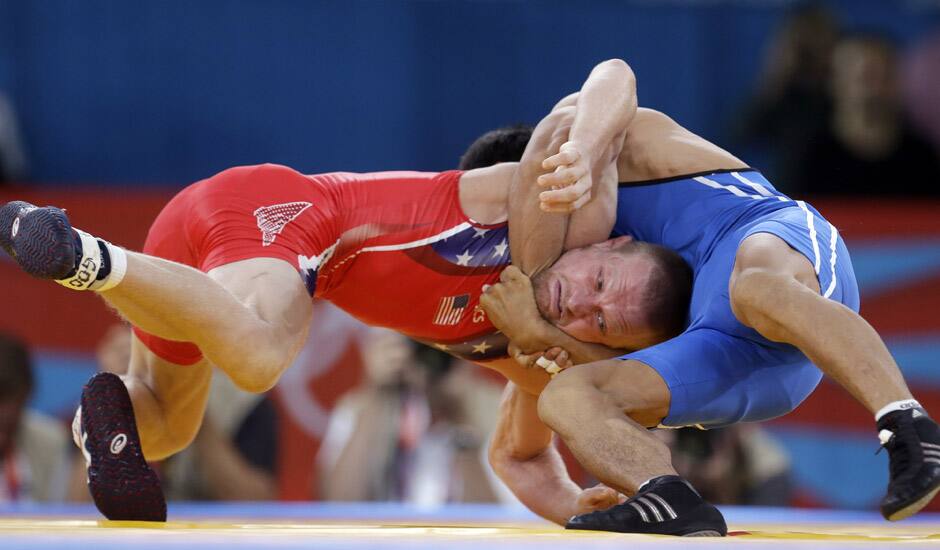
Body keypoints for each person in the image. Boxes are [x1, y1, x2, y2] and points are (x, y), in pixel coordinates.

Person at [0, 60, 689, 521]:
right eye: (602, 283)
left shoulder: (533, 358)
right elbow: (610, 81)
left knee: (167, 424)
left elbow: (521, 454)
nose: (584, 306)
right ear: (611, 244)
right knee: (262, 354)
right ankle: (83, 255)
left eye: (603, 324)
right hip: (281, 217)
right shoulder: (557, 215)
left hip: (231, 261)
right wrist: (587, 149)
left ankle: (100, 422)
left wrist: (577, 508)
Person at [477, 62, 940, 536]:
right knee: (567, 395)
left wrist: (581, 151)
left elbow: (614, 76)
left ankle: (907, 424)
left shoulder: (595, 153)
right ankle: (667, 496)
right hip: (745, 366)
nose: (577, 302)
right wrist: (576, 501)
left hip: (774, 255)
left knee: (754, 286)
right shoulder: (547, 297)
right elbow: (517, 454)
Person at [0, 333, 71, 503]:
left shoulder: (51, 439)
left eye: (10, 398)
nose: (3, 412)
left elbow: (68, 512)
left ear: (27, 393)